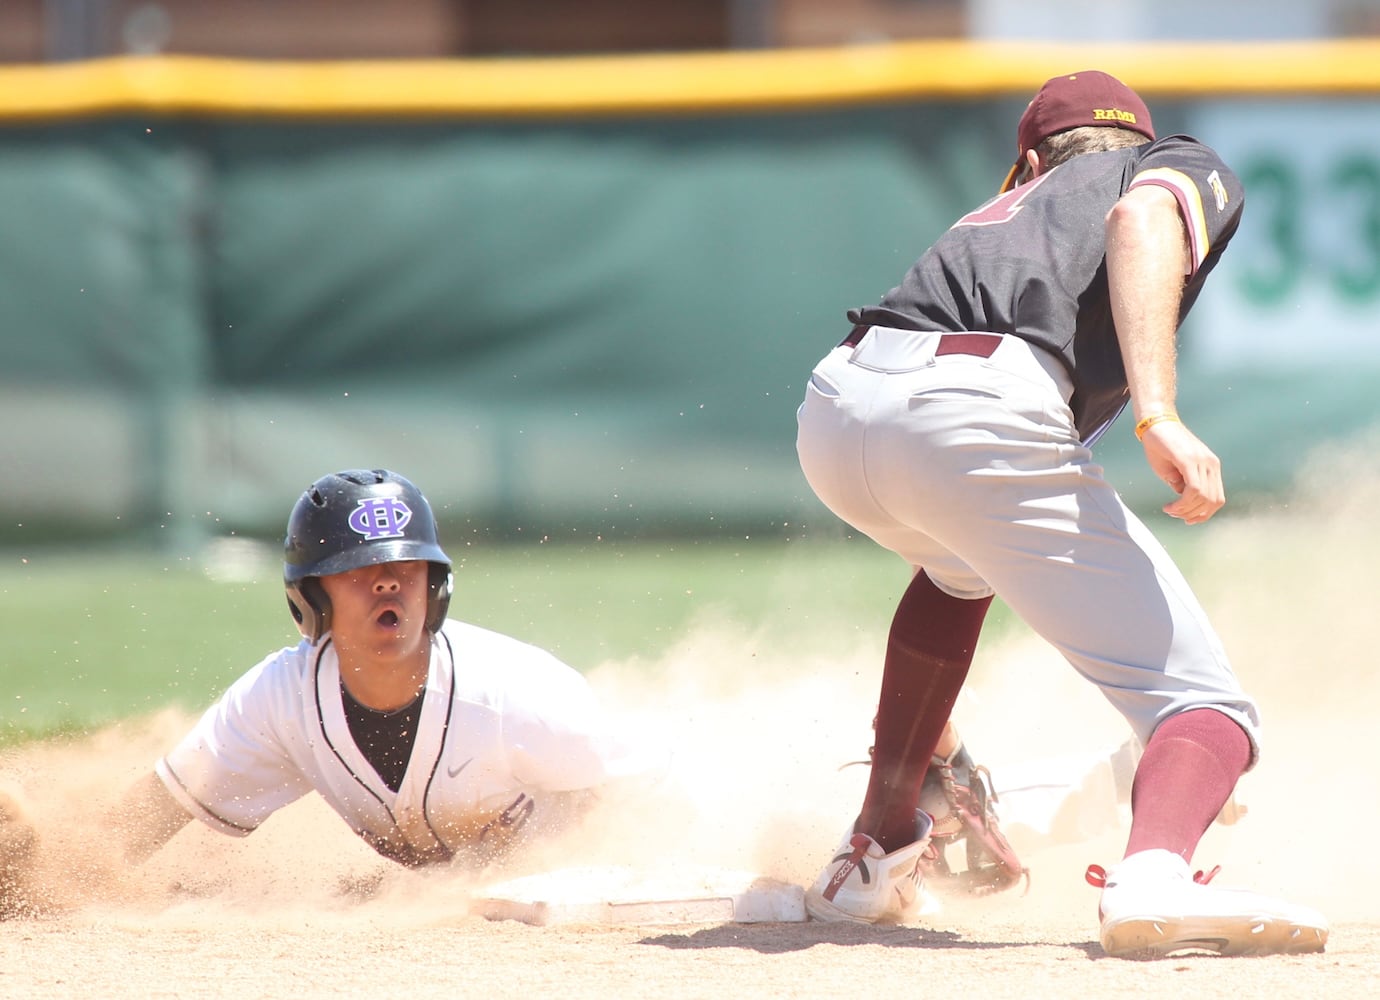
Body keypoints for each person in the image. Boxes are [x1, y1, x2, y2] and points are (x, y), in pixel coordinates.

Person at [794, 70, 1328, 958]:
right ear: (1136, 139)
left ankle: (873, 850)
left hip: (837, 404)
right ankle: (1153, 871)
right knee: (1206, 709)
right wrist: (1158, 413)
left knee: (954, 574)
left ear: (1030, 160)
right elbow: (1143, 220)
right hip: (972, 406)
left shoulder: (996, 213)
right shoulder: (1169, 163)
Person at [111, 468, 655, 872]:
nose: (388, 582)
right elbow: (150, 814)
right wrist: (44, 870)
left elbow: (648, 797)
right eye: (358, 568)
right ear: (310, 597)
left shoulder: (520, 696)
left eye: (404, 564)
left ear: (435, 585)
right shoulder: (277, 700)